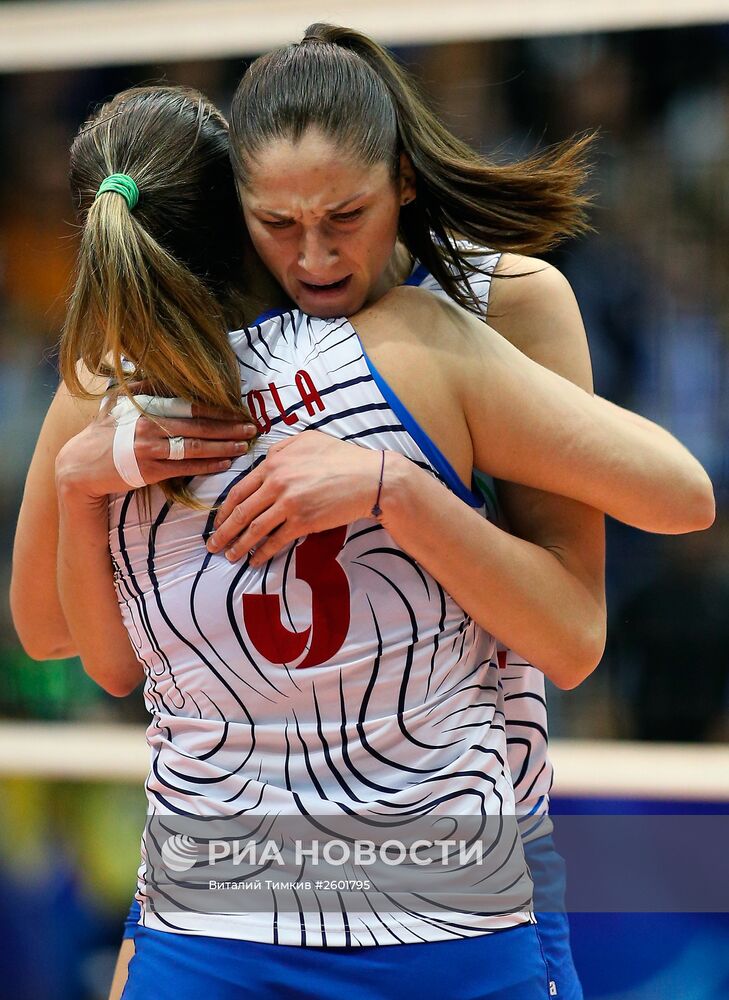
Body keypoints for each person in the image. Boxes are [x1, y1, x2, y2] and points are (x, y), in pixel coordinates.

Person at [12, 80, 713, 1000]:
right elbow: (67, 643)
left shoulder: (491, 302)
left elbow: (576, 633)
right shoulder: (122, 382)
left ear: (405, 182)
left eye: (345, 214)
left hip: (393, 878)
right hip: (347, 894)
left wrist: (392, 491)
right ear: (235, 208)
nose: (315, 253)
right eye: (279, 222)